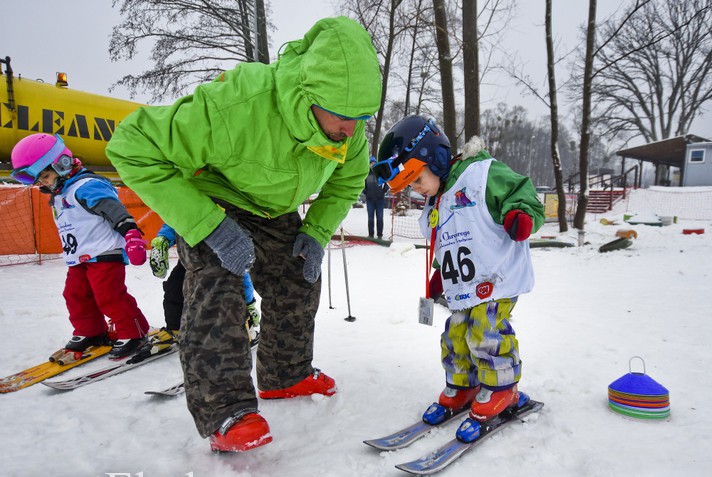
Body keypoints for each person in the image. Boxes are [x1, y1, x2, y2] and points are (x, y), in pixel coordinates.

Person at [106, 16, 381, 453]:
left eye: (362, 117)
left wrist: (315, 230)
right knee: (218, 281)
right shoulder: (238, 103)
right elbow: (132, 146)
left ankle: (284, 373)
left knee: (299, 272)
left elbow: (348, 181)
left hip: (274, 208)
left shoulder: (351, 135)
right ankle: (225, 411)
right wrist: (207, 225)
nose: (351, 131)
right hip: (213, 199)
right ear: (308, 95)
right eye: (344, 117)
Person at [374, 115, 545, 438]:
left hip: (496, 278)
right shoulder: (435, 203)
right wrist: (440, 275)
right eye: (410, 184)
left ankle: (501, 388)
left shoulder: (480, 175)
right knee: (456, 334)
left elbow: (521, 192)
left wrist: (520, 215)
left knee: (486, 330)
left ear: (434, 160)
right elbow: (449, 244)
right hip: (463, 286)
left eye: (416, 180)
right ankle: (463, 384)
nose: (416, 189)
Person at [10, 133, 151, 360]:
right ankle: (91, 331)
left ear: (61, 164)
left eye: (45, 175)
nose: (43, 183)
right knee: (75, 294)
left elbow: (113, 210)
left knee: (109, 295)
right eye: (39, 180)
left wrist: (131, 235)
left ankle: (134, 333)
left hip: (104, 252)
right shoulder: (59, 194)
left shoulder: (87, 186)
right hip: (79, 257)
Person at [149, 222, 261, 342]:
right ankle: (175, 328)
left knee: (228, 295)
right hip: (191, 259)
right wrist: (163, 239)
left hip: (222, 257)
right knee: (174, 289)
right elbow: (176, 216)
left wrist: (249, 303)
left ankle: (242, 327)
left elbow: (241, 273)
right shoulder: (190, 204)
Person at [363, 156, 388, 239]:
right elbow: (362, 184)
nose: (372, 165)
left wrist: (384, 190)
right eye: (371, 163)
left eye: (373, 163)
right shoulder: (366, 174)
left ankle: (380, 235)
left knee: (380, 217)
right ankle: (370, 235)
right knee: (370, 218)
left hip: (379, 199)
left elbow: (387, 182)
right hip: (370, 199)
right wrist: (365, 191)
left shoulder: (380, 173)